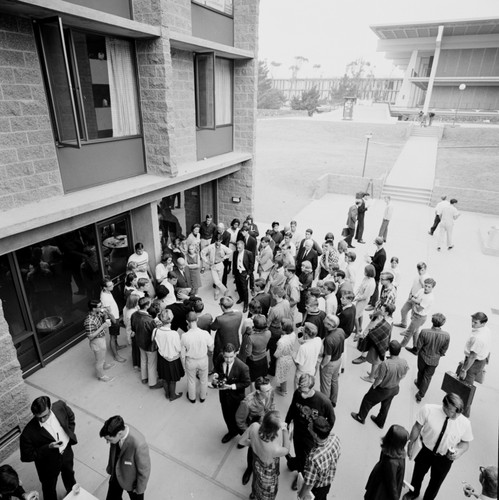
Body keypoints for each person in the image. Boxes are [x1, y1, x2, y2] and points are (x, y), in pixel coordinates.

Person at [403, 393, 473, 500]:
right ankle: (413, 492)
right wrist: (410, 444)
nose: (455, 416)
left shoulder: (465, 423)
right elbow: (417, 427)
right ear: (444, 406)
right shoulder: (428, 410)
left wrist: (459, 451)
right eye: (452, 411)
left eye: (458, 412)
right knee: (417, 475)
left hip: (445, 458)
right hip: (425, 451)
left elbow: (465, 443)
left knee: (436, 483)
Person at [20, 396, 77, 500]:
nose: (42, 420)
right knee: (49, 489)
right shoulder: (28, 433)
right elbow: (26, 456)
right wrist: (48, 447)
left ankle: (72, 495)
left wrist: (69, 432)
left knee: (69, 477)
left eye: (45, 416)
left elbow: (71, 417)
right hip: (47, 465)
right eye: (38, 417)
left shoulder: (60, 406)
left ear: (50, 407)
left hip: (66, 453)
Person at [285, 374, 336, 491]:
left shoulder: (324, 402)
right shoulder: (298, 393)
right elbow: (292, 407)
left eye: (304, 391)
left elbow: (332, 419)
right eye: (300, 389)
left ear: (312, 387)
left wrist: (321, 435)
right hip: (298, 430)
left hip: (311, 436)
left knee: (307, 460)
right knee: (298, 452)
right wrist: (287, 423)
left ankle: (300, 476)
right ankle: (296, 463)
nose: (301, 394)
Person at [351, 340, 409, 428]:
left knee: (367, 400)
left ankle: (360, 417)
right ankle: (380, 422)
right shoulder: (404, 362)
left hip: (383, 389)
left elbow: (379, 379)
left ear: (389, 350)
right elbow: (404, 374)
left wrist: (374, 386)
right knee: (386, 405)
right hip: (395, 388)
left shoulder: (385, 364)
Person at [239, 411, 290, 500]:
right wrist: (285, 429)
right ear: (275, 430)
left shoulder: (254, 426)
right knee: (267, 491)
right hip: (268, 470)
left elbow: (241, 441)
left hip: (256, 462)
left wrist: (254, 444)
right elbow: (286, 449)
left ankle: (254, 494)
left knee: (256, 479)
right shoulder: (274, 449)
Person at [236, 377, 276, 486]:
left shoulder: (270, 392)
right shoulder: (247, 403)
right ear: (258, 391)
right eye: (266, 391)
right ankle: (249, 469)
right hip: (254, 431)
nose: (270, 392)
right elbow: (240, 421)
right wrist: (250, 434)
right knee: (252, 452)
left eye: (270, 389)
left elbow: (272, 405)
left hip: (266, 429)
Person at [100, 415, 151, 500]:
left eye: (109, 439)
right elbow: (113, 452)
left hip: (132, 482)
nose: (107, 442)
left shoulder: (139, 445)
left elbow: (144, 471)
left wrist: (139, 489)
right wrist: (111, 469)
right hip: (116, 474)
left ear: (119, 434)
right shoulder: (116, 429)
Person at [213, 343, 251, 443]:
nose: (228, 360)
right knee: (227, 416)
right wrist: (216, 374)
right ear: (223, 354)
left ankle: (245, 438)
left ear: (235, 354)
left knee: (240, 420)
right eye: (226, 357)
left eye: (231, 357)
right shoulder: (220, 358)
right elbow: (217, 368)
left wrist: (232, 386)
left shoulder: (243, 367)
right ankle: (232, 432)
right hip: (224, 396)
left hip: (237, 398)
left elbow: (246, 382)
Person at [297, 416, 341, 500]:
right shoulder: (335, 438)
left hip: (317, 489)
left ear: (315, 435)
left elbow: (308, 484)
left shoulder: (314, 458)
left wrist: (300, 497)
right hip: (327, 483)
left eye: (311, 426)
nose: (309, 425)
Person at [458, 312, 491, 416]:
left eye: (475, 322)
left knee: (466, 390)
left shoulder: (478, 338)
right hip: (480, 360)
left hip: (474, 362)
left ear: (482, 323)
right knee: (465, 387)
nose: (472, 323)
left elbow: (472, 356)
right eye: (472, 321)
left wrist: (464, 370)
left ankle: (465, 415)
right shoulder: (486, 330)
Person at [364, 424, 409, 500]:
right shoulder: (392, 462)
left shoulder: (388, 449)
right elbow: (392, 485)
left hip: (378, 481)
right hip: (381, 491)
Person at [415, 313, 450, 402]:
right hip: (435, 359)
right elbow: (444, 349)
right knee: (428, 377)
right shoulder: (446, 335)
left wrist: (418, 351)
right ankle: (421, 394)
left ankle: (419, 383)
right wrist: (439, 354)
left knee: (421, 371)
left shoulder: (424, 332)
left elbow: (419, 346)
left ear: (432, 321)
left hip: (423, 356)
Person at [181, 311, 214, 403]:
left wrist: (183, 365)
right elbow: (211, 347)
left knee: (191, 380)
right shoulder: (204, 333)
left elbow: (182, 354)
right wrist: (208, 352)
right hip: (203, 359)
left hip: (191, 361)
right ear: (197, 319)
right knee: (204, 379)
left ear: (187, 321)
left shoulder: (184, 336)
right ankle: (203, 396)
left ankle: (192, 398)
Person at [130, 297, 162, 389]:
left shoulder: (134, 315)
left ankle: (144, 378)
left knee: (143, 360)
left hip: (139, 342)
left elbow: (133, 328)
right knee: (151, 364)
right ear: (147, 305)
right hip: (149, 345)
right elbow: (154, 333)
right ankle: (152, 383)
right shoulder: (149, 320)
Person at [154, 309, 184, 401]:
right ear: (171, 319)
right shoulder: (174, 334)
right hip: (173, 359)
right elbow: (178, 349)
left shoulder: (156, 330)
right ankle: (173, 395)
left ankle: (167, 394)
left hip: (162, 358)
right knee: (172, 380)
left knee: (164, 378)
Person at [399, 278, 436, 352]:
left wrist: (414, 301)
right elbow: (412, 297)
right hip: (415, 314)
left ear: (432, 288)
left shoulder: (429, 298)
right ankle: (416, 348)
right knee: (415, 332)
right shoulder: (421, 290)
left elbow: (419, 308)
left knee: (408, 333)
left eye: (429, 287)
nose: (426, 288)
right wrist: (418, 301)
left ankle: (398, 348)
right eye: (425, 286)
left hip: (420, 317)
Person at [84, 299, 116, 382]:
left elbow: (104, 317)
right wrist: (103, 327)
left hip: (101, 338)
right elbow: (90, 336)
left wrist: (105, 314)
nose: (101, 307)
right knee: (99, 361)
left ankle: (104, 365)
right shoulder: (89, 321)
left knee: (102, 356)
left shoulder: (97, 313)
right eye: (100, 306)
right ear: (94, 309)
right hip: (96, 341)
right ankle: (101, 376)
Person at [352, 310, 392, 376]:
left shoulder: (379, 323)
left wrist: (361, 336)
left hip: (376, 344)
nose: (380, 311)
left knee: (375, 360)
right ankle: (373, 374)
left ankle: (371, 376)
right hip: (379, 344)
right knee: (375, 360)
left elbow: (371, 334)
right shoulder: (382, 321)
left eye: (382, 310)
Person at [320, 314, 345, 408]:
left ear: (330, 326)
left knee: (325, 385)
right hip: (338, 360)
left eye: (325, 323)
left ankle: (325, 405)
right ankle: (333, 400)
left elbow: (328, 357)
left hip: (330, 364)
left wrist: (322, 365)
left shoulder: (329, 339)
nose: (323, 323)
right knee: (334, 381)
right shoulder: (341, 330)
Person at [396, 262, 430, 328]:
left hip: (417, 299)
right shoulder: (418, 275)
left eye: (422, 270)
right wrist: (410, 293)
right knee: (403, 310)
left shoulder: (427, 278)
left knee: (413, 316)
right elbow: (414, 285)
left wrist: (422, 282)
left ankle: (409, 330)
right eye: (418, 270)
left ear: (425, 269)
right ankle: (403, 323)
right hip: (412, 297)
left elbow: (426, 290)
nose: (420, 271)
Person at [100, 278, 126, 363]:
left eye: (112, 284)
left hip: (115, 316)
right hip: (113, 318)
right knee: (112, 336)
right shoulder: (105, 297)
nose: (113, 286)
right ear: (105, 288)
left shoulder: (107, 291)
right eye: (110, 285)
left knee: (115, 335)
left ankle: (117, 346)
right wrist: (114, 321)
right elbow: (109, 312)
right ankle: (116, 355)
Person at [210, 296, 243, 363]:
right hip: (234, 342)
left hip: (222, 345)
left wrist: (218, 317)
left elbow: (213, 327)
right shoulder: (239, 314)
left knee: (218, 360)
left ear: (222, 306)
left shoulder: (220, 319)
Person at [294, 323, 322, 388]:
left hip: (301, 374)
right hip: (311, 371)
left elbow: (299, 366)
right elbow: (307, 342)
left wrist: (293, 357)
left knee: (298, 393)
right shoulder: (318, 340)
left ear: (306, 334)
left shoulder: (303, 348)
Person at [274, 318, 297, 396]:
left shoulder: (282, 341)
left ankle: (283, 391)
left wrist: (275, 355)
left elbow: (278, 353)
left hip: (282, 360)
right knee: (284, 374)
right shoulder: (293, 334)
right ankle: (282, 388)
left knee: (282, 375)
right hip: (289, 357)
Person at [245, 314, 271, 382]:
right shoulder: (269, 333)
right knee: (262, 378)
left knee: (253, 380)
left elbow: (248, 353)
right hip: (263, 358)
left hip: (254, 361)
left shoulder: (251, 338)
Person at [233, 239, 255, 312]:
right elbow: (234, 263)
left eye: (239, 248)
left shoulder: (249, 253)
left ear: (243, 246)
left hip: (244, 273)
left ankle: (246, 304)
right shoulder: (235, 253)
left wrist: (248, 274)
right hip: (237, 273)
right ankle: (241, 298)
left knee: (244, 289)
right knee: (238, 287)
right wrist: (234, 273)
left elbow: (251, 265)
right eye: (237, 248)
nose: (238, 249)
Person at [354, 264, 376, 333]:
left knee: (355, 316)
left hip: (363, 300)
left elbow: (365, 296)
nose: (364, 272)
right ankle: (360, 327)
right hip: (360, 297)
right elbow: (360, 286)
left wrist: (356, 298)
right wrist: (355, 293)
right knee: (360, 313)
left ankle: (357, 331)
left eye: (365, 271)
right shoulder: (366, 278)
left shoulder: (371, 283)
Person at [366, 237, 387, 310]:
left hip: (377, 274)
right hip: (374, 272)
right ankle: (371, 300)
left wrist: (371, 262)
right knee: (373, 287)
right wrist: (370, 257)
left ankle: (373, 304)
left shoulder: (382, 254)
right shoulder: (379, 250)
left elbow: (380, 267)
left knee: (375, 288)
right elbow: (376, 259)